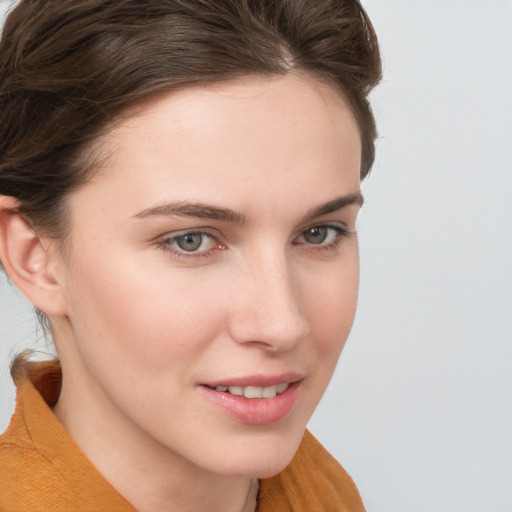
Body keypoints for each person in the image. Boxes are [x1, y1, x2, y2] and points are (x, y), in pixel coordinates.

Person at [0, 0, 381, 510]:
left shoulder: (324, 493)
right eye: (191, 241)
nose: (282, 324)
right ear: (34, 258)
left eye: (318, 233)